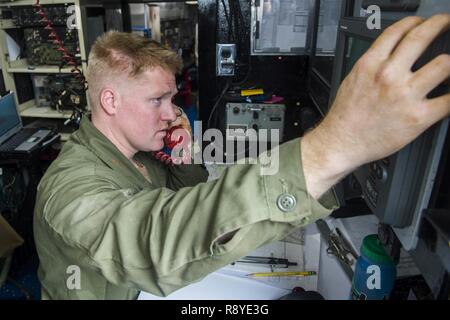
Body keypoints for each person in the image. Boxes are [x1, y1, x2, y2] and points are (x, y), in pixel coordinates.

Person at [34, 14, 450, 299]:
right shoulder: (69, 186)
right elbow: (153, 239)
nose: (172, 112)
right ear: (110, 100)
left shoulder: (135, 153)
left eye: (172, 99)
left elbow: (185, 200)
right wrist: (334, 147)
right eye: (157, 99)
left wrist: (186, 151)